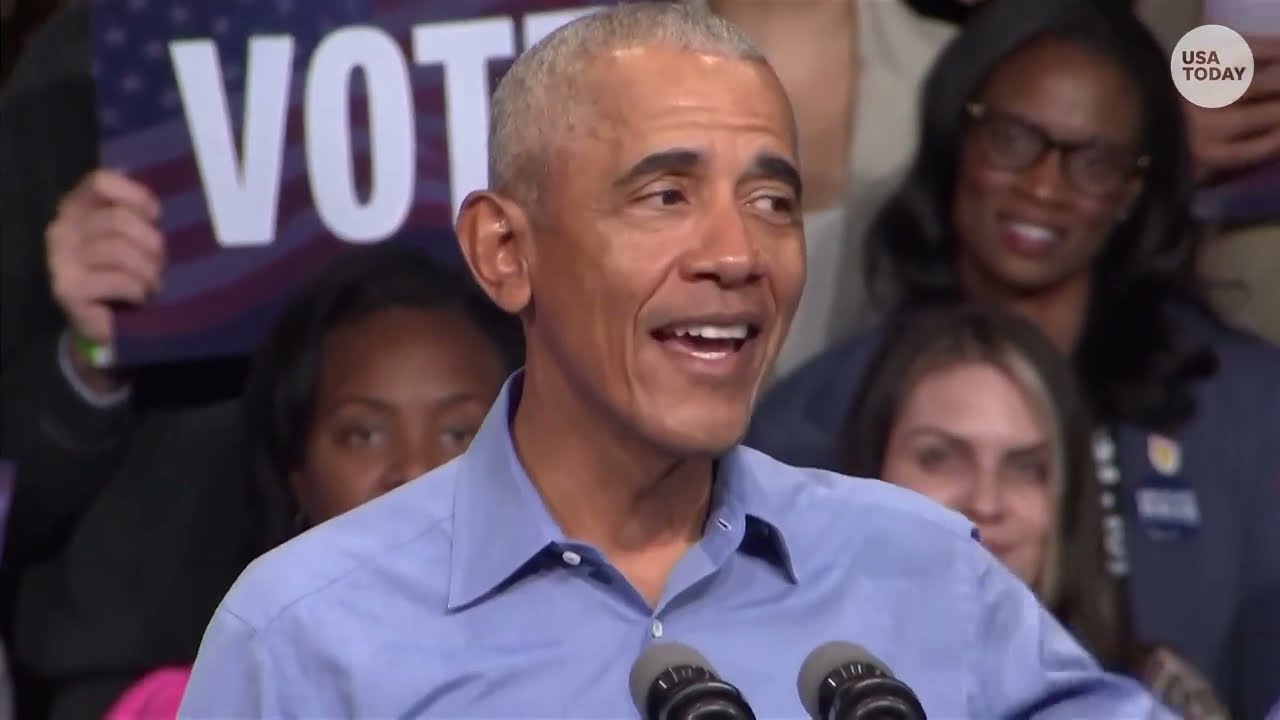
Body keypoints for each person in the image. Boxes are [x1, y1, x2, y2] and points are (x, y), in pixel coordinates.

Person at [178, 4, 1173, 717]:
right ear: (505, 252)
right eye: (664, 196)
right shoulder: (306, 637)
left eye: (771, 202)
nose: (736, 254)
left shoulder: (920, 571)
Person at [748, 0, 1280, 716]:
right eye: (1011, 139)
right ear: (954, 139)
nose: (1042, 187)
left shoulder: (1250, 408)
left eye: (1092, 160)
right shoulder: (802, 428)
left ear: (1132, 190)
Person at [100, 242, 522, 719]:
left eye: (459, 433)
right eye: (364, 434)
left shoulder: (599, 678)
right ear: (297, 476)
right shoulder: (192, 706)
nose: (414, 470)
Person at [841, 304, 1228, 717]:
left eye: (1026, 468)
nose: (985, 503)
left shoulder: (1156, 695)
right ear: (871, 468)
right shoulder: (781, 657)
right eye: (939, 457)